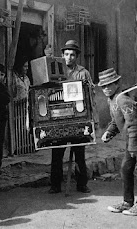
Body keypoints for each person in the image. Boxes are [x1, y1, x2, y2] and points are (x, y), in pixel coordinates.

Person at [98, 68, 137, 216]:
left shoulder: (122, 99)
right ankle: (128, 202)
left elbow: (134, 122)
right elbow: (117, 120)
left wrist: (134, 146)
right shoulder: (112, 99)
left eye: (109, 85)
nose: (106, 88)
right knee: (126, 168)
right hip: (132, 138)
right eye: (103, 86)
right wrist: (109, 132)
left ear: (117, 83)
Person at [48, 40, 94, 194]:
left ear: (77, 56)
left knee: (79, 154)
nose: (69, 57)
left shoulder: (83, 72)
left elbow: (90, 94)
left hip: (79, 117)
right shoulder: (55, 69)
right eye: (66, 54)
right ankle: (55, 185)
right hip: (60, 117)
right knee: (57, 154)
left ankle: (82, 184)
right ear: (62, 55)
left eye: (73, 55)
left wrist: (92, 117)